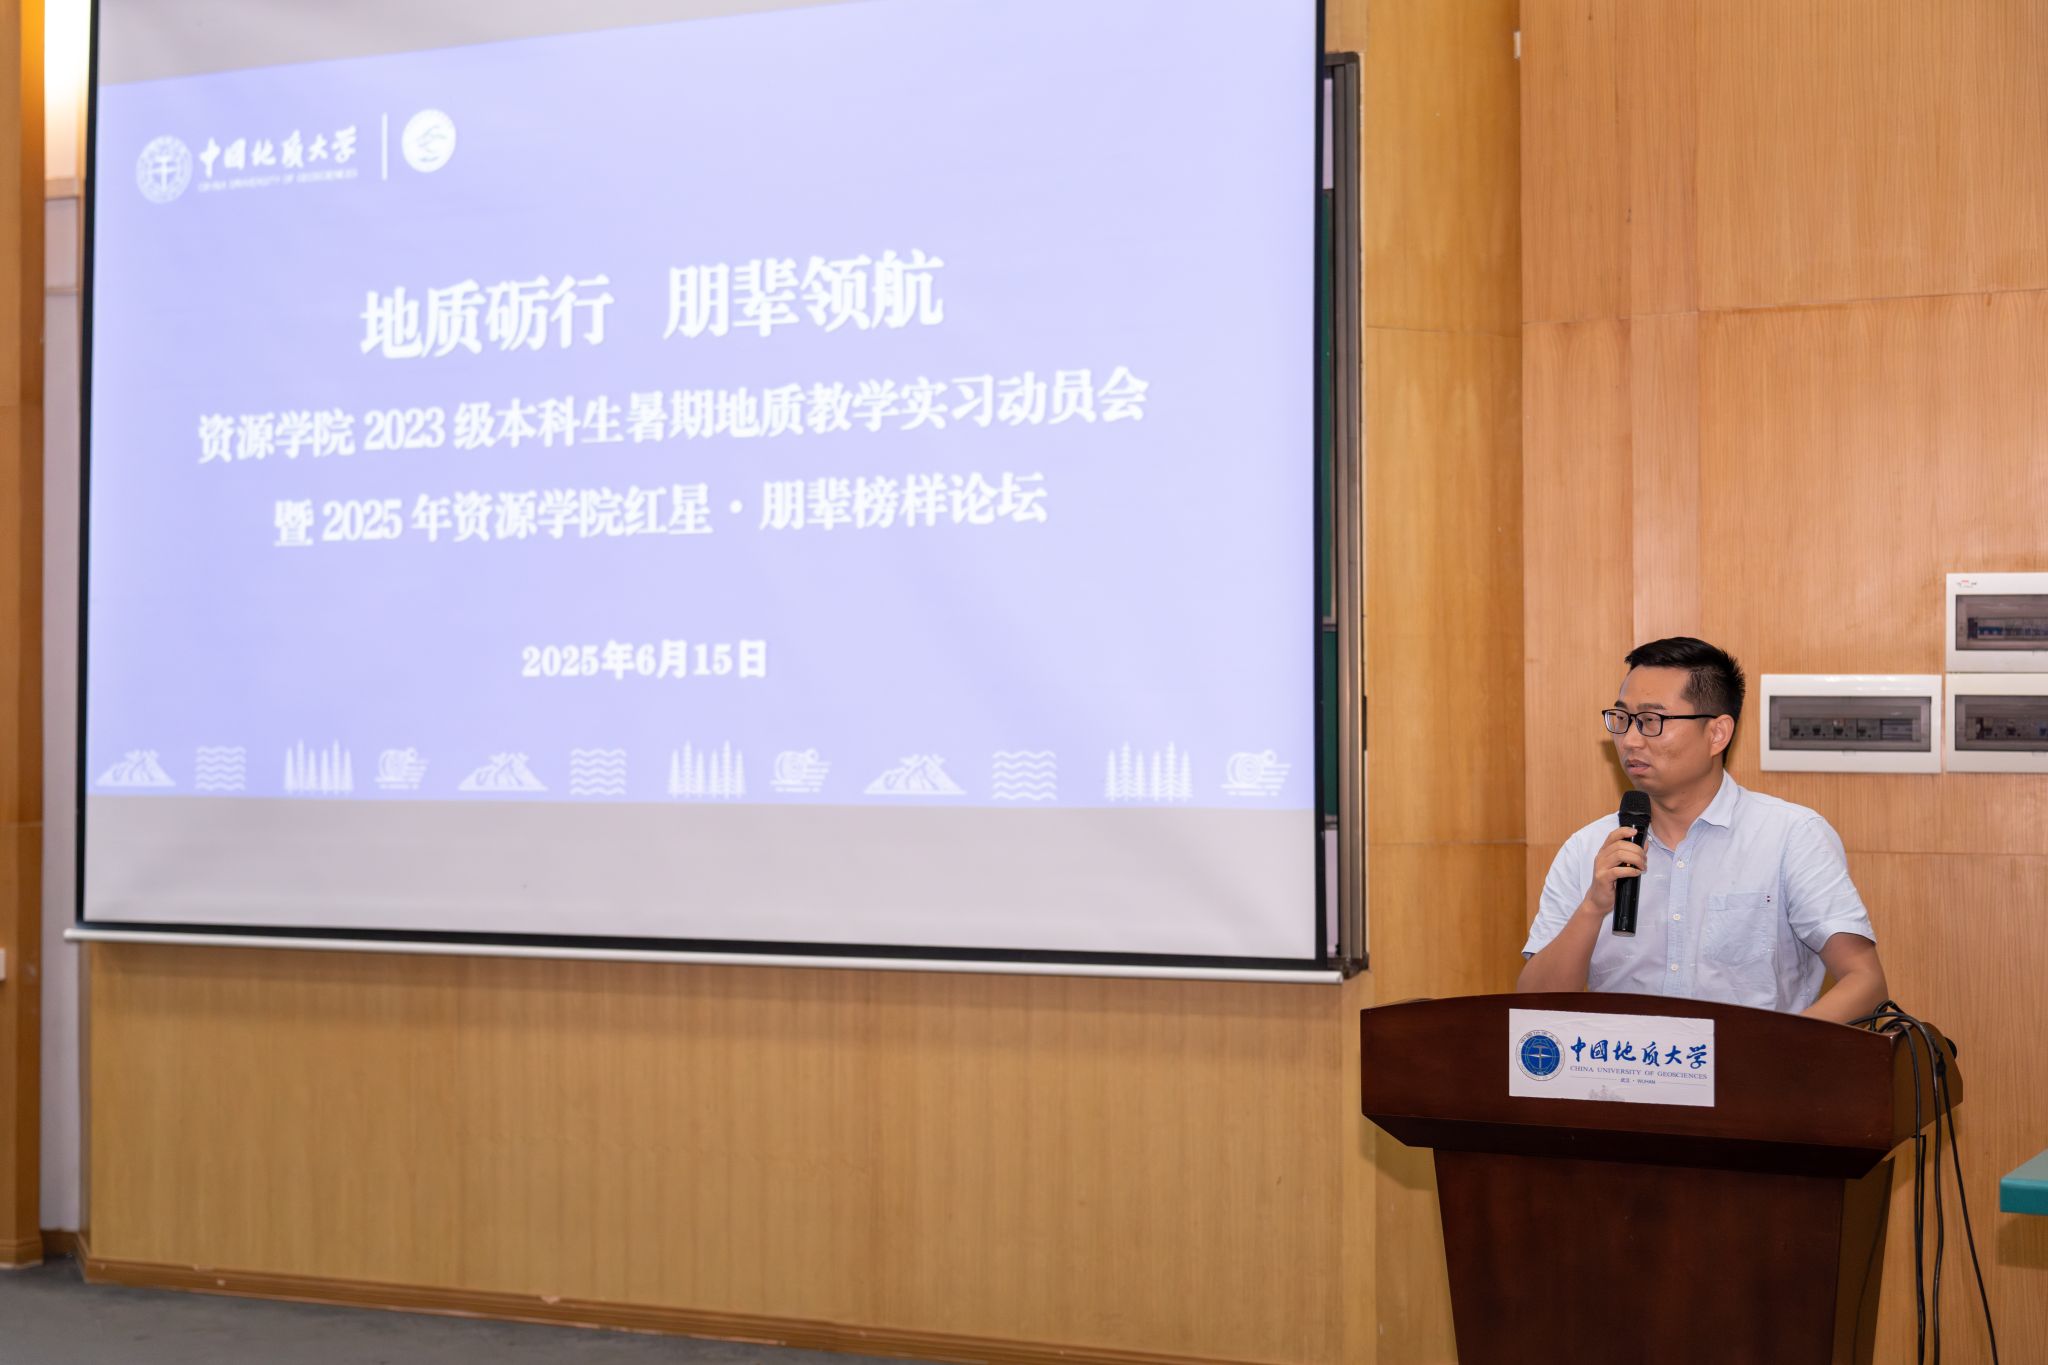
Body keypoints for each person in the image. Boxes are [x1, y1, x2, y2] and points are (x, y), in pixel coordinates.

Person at [1517, 636, 1888, 1022]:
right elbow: (1531, 1007)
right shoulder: (1587, 848)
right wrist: (1593, 908)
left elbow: (1864, 982)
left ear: (1717, 734)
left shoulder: (1791, 837)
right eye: (1622, 719)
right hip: (1622, 1060)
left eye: (1651, 721)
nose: (1629, 740)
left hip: (1752, 1060)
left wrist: (1775, 1051)